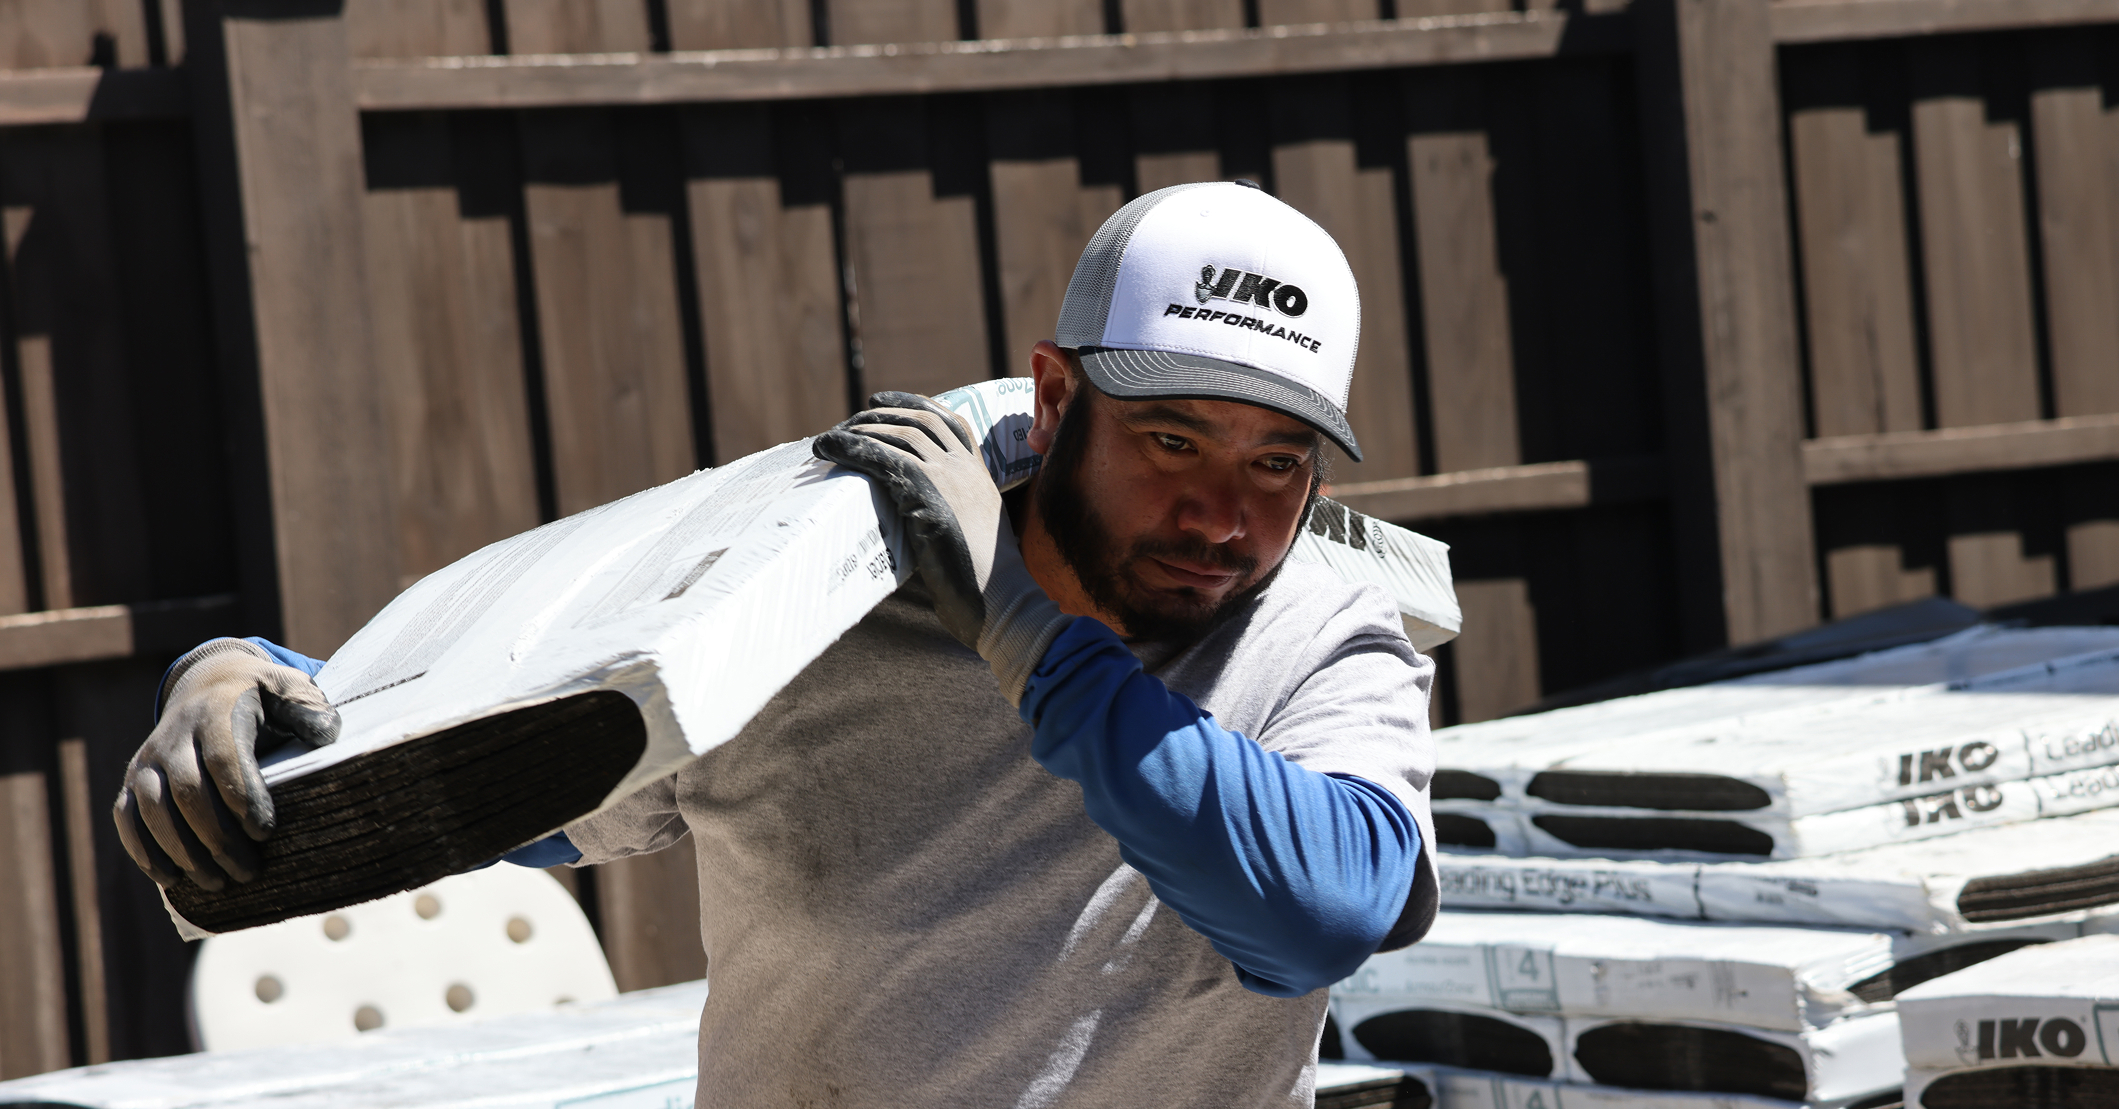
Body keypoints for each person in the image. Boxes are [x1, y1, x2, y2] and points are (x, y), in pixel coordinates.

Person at [114, 180, 1438, 1107]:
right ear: (1054, 398)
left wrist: (1026, 632)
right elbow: (486, 771)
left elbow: (1320, 913)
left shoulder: (1323, 632)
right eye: (1172, 441)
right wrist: (241, 679)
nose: (1227, 515)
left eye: (1279, 460)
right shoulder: (812, 609)